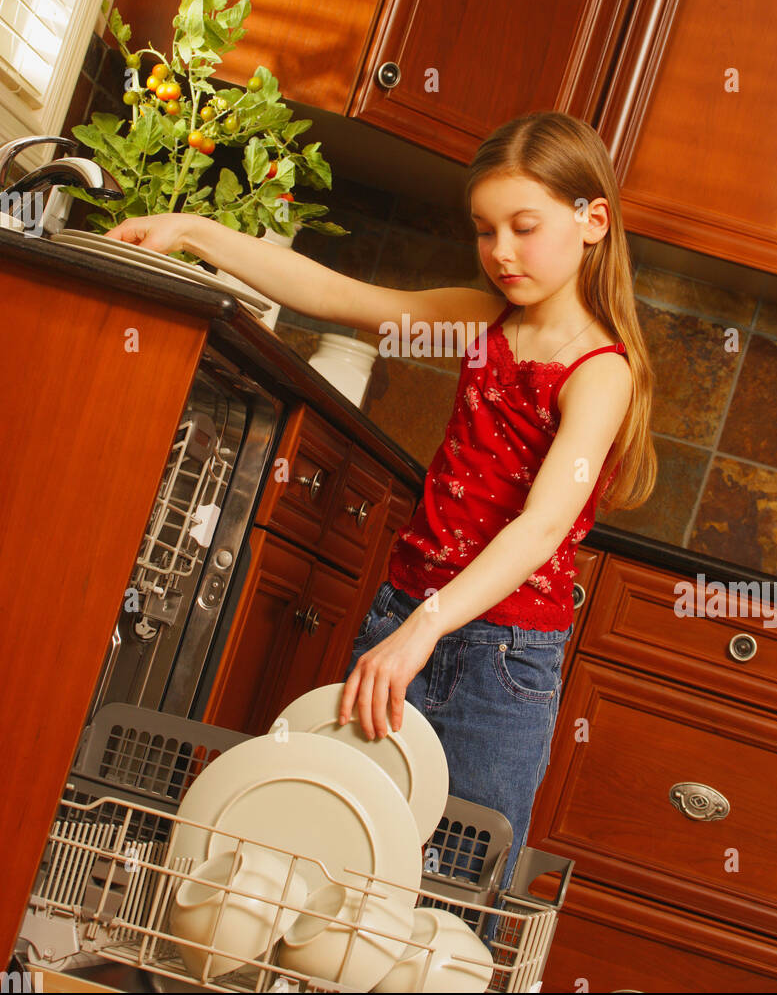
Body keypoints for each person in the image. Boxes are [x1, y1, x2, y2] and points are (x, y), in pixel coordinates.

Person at [104, 110, 657, 895]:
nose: (501, 252)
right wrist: (195, 231)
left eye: (524, 227)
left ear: (591, 219)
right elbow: (336, 296)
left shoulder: (602, 373)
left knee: (450, 898)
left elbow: (539, 529)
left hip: (498, 664)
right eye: (484, 230)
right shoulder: (478, 324)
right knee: (332, 858)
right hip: (402, 618)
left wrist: (427, 628)